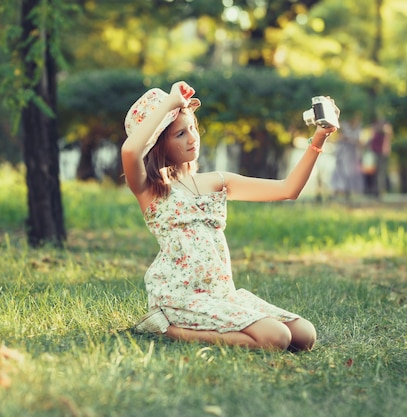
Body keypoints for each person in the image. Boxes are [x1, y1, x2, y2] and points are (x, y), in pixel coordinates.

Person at [121, 81, 339, 351]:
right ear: (158, 145)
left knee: (305, 335)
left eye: (192, 128)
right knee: (277, 338)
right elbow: (130, 151)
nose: (192, 138)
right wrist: (170, 104)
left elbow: (288, 189)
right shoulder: (150, 190)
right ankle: (169, 330)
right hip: (181, 297)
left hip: (221, 295)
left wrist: (319, 138)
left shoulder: (217, 181)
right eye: (179, 134)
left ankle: (195, 328)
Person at [330, 111, 363, 203]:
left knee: (350, 173)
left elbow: (359, 142)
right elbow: (337, 138)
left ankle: (347, 194)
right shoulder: (343, 125)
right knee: (340, 173)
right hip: (343, 153)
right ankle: (335, 194)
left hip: (353, 155)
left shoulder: (359, 127)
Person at [368, 116, 393, 197]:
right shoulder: (376, 129)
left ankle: (379, 192)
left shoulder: (385, 128)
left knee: (380, 173)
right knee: (375, 173)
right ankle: (375, 191)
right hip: (375, 152)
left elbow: (387, 132)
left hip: (382, 153)